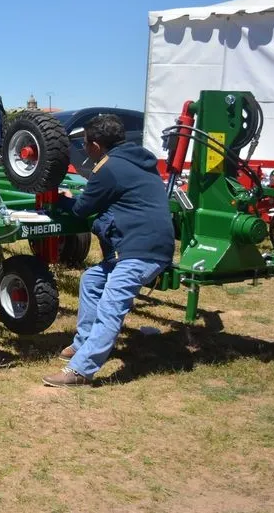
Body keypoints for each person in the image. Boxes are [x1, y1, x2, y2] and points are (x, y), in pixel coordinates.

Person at [42, 114, 174, 388]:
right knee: (91, 280)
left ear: (96, 145)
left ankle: (80, 371)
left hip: (139, 250)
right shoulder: (138, 160)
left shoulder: (108, 169)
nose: (84, 148)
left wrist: (64, 201)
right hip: (150, 244)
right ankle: (83, 343)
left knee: (111, 305)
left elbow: (81, 210)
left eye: (86, 143)